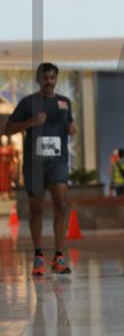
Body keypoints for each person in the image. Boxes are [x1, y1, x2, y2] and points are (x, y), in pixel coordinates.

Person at [5, 62, 75, 276]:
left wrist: (72, 128)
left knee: (62, 205)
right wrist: (30, 122)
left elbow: (69, 126)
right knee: (36, 210)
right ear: (38, 80)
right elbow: (7, 129)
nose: (49, 82)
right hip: (34, 165)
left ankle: (58, 256)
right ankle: (38, 256)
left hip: (58, 162)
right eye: (45, 78)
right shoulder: (28, 103)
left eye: (52, 78)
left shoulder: (64, 103)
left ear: (56, 79)